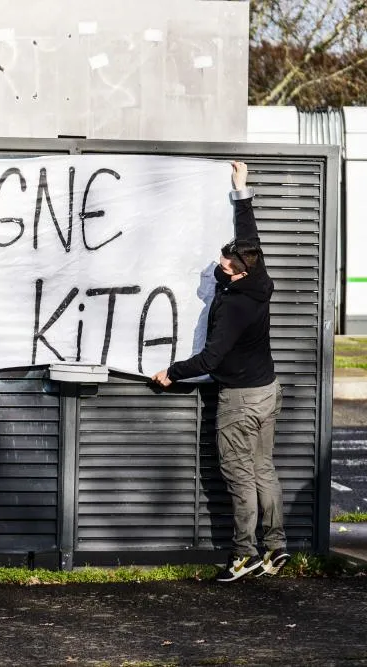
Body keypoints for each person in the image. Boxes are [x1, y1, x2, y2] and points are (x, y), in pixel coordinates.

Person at [151, 161, 289, 583]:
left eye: (226, 262)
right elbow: (249, 234)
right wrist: (240, 189)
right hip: (268, 390)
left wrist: (171, 372)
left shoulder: (233, 307)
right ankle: (276, 547)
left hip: (241, 400)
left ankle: (243, 555)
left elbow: (209, 361)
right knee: (264, 469)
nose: (220, 261)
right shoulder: (258, 275)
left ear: (239, 269)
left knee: (239, 476)